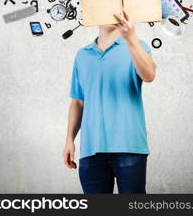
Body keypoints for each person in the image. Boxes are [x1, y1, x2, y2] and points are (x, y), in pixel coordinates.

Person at [62, 11, 156, 193]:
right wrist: (69, 140)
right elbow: (78, 102)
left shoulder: (138, 46)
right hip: (91, 149)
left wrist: (130, 38)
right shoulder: (82, 55)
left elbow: (149, 75)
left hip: (130, 146)